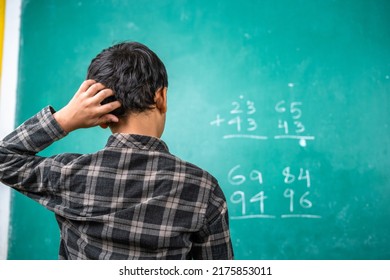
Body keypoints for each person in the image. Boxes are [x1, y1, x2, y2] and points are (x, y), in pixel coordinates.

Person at [0, 42, 234, 260]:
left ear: (100, 117)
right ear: (161, 97)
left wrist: (64, 119)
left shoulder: (69, 175)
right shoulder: (202, 189)